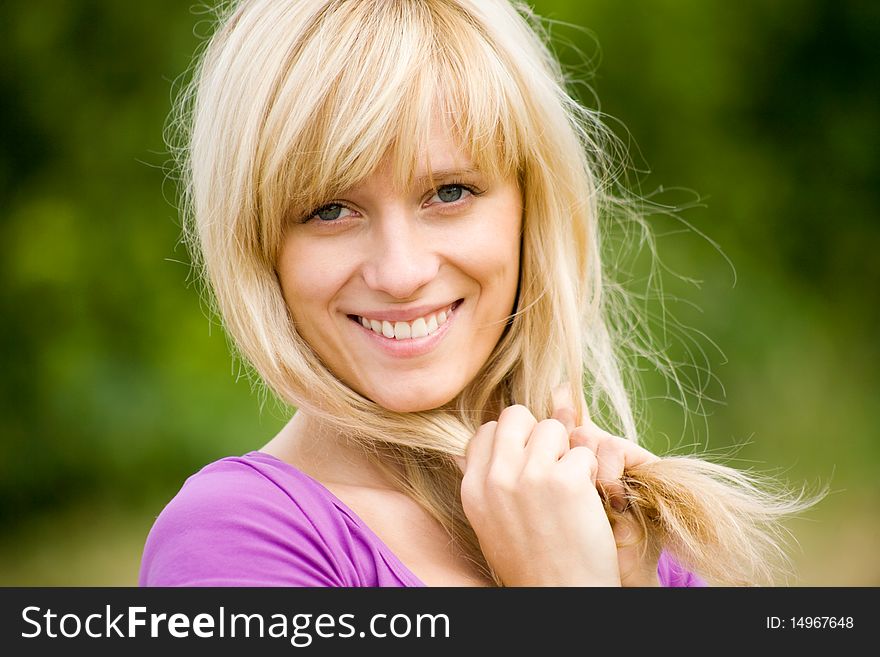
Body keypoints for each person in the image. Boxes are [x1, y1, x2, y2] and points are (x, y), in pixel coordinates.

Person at [140, 0, 812, 587]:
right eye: (330, 210)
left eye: (449, 192)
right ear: (261, 245)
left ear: (529, 206)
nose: (400, 272)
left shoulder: (618, 532)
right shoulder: (235, 540)